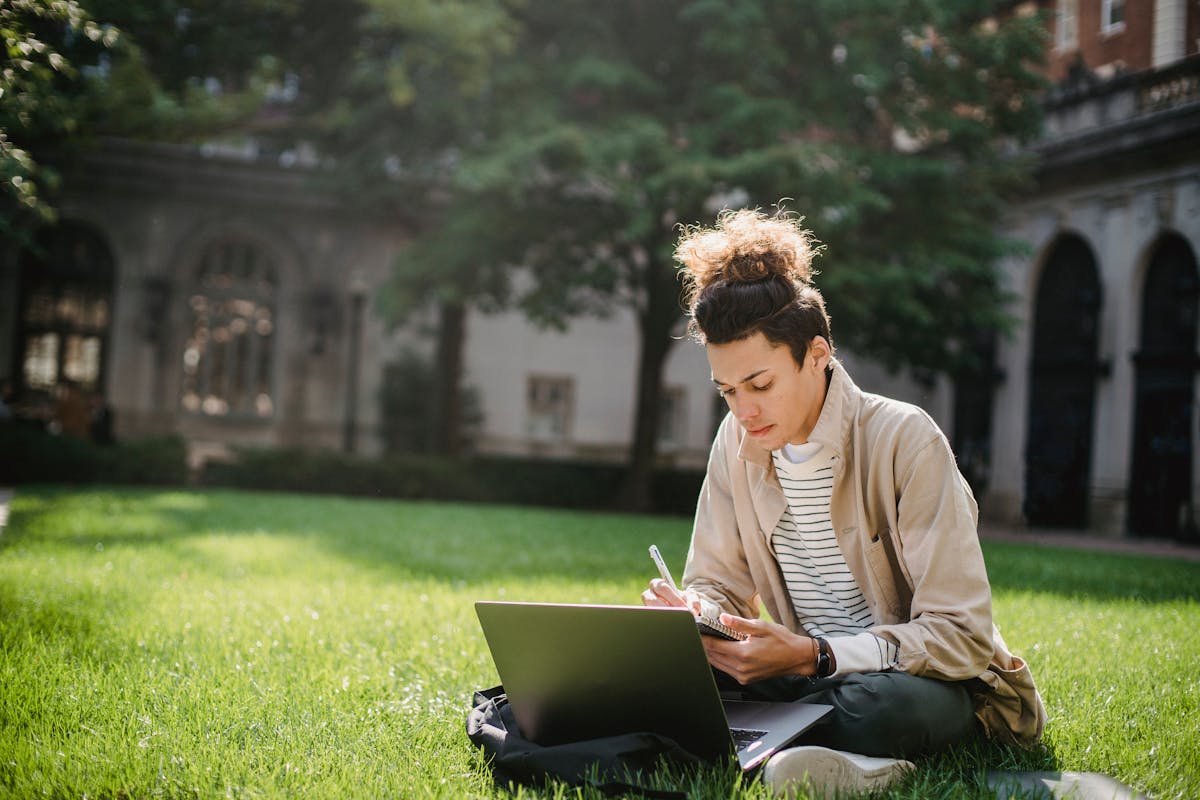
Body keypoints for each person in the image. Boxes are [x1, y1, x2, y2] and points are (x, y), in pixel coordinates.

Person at [641, 208, 1045, 797]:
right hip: (797, 676)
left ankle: (768, 736)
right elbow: (718, 582)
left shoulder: (906, 439)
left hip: (912, 683)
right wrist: (696, 614)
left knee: (896, 708)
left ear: (816, 354)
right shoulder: (736, 441)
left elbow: (961, 636)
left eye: (760, 385)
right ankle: (829, 754)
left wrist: (814, 656)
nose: (743, 410)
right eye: (727, 391)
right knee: (655, 679)